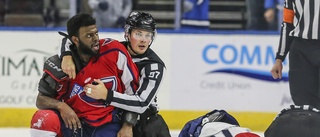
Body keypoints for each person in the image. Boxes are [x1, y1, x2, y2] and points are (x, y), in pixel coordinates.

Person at [60, 11, 171, 137]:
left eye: (148, 35)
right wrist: (66, 56)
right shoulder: (115, 50)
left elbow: (141, 103)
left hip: (147, 126)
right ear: (128, 34)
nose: (143, 40)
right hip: (117, 120)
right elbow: (73, 40)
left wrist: (107, 95)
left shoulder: (154, 66)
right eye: (138, 34)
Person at [30, 13, 140, 137]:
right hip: (74, 124)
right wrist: (60, 106)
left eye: (96, 33)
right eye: (89, 35)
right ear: (76, 40)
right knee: (43, 119)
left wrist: (128, 125)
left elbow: (134, 93)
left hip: (109, 125)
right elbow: (41, 100)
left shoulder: (114, 51)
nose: (95, 39)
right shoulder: (60, 66)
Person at [270, 1, 320, 109]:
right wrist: (279, 58)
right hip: (301, 52)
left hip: (301, 50)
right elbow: (287, 24)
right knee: (303, 105)